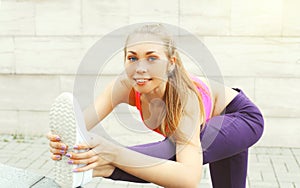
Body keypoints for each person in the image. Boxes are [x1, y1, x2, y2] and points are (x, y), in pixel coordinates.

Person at [48, 24, 264, 188]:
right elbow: (78, 127)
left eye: (152, 58)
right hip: (211, 124)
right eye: (132, 58)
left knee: (173, 152)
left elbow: (188, 177)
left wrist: (111, 152)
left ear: (171, 63)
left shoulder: (184, 97)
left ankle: (98, 165)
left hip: (241, 119)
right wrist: (64, 144)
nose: (140, 68)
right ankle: (96, 163)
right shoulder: (124, 85)